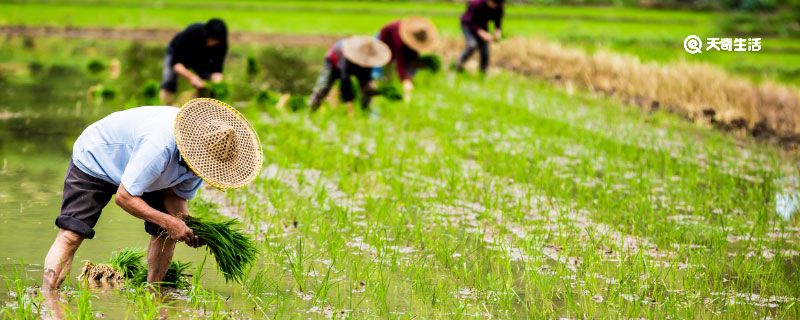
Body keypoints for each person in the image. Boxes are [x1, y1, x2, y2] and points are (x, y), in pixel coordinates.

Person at [42, 98, 263, 315]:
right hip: (97, 158)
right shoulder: (160, 145)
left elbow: (176, 198)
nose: (203, 171)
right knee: (72, 234)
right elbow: (125, 197)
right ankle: (49, 300)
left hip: (147, 171)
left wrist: (186, 225)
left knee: (166, 232)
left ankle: (153, 295)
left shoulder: (202, 164)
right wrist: (169, 222)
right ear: (192, 149)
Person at [309, 36, 392, 115]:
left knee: (367, 88)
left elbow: (366, 81)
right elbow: (345, 82)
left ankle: (365, 111)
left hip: (353, 65)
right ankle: (311, 109)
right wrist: (350, 109)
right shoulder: (347, 57)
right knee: (324, 86)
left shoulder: (368, 61)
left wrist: (376, 90)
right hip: (333, 62)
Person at [160, 18, 229, 105]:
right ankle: (165, 107)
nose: (212, 44)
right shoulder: (192, 33)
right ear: (206, 35)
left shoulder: (222, 42)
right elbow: (176, 64)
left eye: (215, 42)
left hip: (201, 57)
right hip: (178, 54)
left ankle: (195, 110)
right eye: (211, 40)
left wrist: (216, 85)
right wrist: (192, 77)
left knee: (205, 88)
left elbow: (217, 69)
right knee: (169, 83)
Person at [374, 16, 439, 102]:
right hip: (382, 42)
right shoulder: (399, 39)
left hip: (395, 46)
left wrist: (409, 76)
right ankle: (380, 93)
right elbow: (400, 60)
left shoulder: (413, 38)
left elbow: (413, 56)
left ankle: (387, 90)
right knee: (380, 73)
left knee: (392, 75)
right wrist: (405, 79)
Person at [455, 0, 505, 74]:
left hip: (482, 25)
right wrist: (482, 33)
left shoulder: (499, 7)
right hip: (468, 24)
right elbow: (470, 22)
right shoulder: (476, 4)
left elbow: (498, 23)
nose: (494, 6)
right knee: (472, 44)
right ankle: (458, 65)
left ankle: (483, 72)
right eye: (493, 3)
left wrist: (497, 32)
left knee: (485, 51)